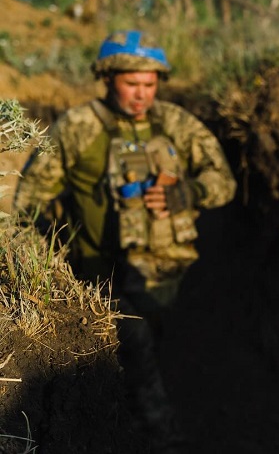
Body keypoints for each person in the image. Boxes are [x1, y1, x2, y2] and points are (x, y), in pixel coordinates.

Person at [14, 30, 237, 452]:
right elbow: (30, 202)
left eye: (150, 84)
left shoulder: (175, 123)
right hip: (104, 281)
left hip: (176, 281)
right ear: (108, 77)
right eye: (131, 83)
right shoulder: (79, 127)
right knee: (134, 371)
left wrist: (185, 192)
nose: (141, 94)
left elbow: (222, 182)